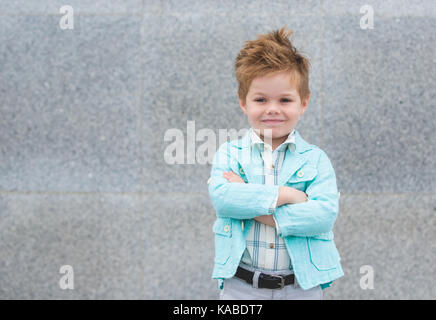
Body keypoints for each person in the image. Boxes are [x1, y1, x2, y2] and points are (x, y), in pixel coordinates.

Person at [207, 26, 344, 300]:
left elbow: (323, 215)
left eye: (284, 100)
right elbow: (224, 200)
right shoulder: (230, 153)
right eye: (260, 99)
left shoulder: (315, 159)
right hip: (241, 287)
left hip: (301, 288)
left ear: (303, 103)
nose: (272, 108)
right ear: (243, 102)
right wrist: (288, 195)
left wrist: (252, 203)